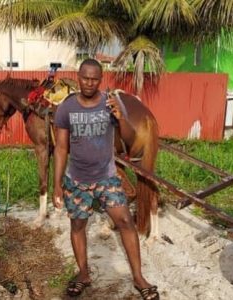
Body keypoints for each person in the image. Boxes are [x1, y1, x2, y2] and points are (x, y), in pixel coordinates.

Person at [53, 58, 159, 299]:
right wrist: (57, 184)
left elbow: (131, 140)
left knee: (125, 223)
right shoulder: (66, 108)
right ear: (78, 77)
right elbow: (60, 148)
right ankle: (83, 273)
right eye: (85, 78)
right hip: (76, 180)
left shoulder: (110, 103)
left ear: (101, 80)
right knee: (78, 226)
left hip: (107, 178)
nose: (89, 83)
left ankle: (138, 277)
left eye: (94, 79)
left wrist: (121, 117)